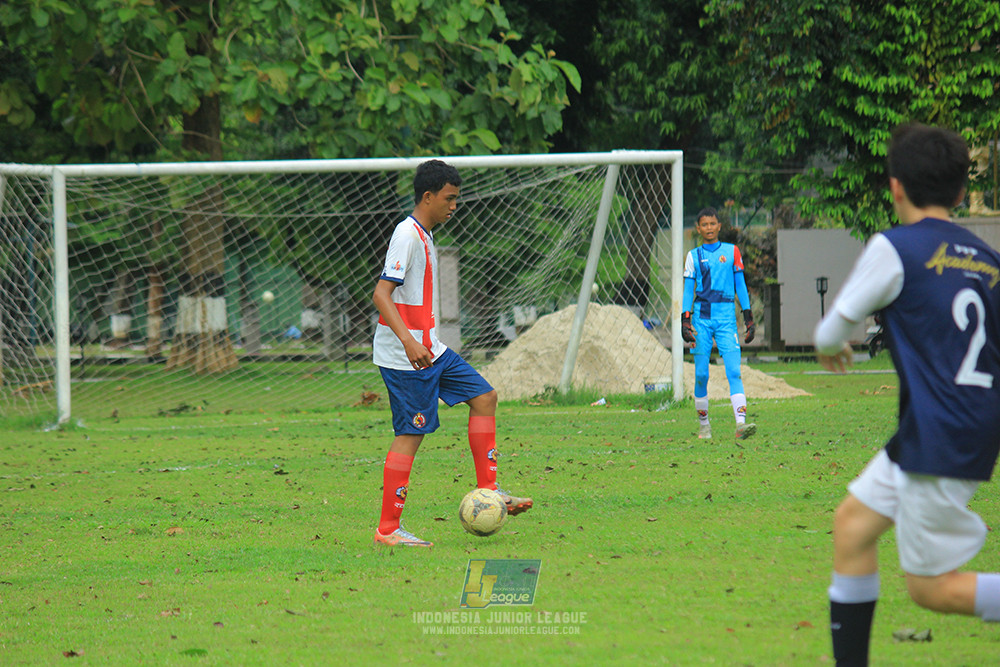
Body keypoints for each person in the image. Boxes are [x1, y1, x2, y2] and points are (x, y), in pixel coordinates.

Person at [814, 123, 1000, 666]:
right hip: (952, 424)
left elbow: (829, 332)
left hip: (939, 431)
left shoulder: (895, 247)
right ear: (961, 192)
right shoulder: (987, 259)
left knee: (930, 589)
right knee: (852, 526)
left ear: (895, 187)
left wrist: (833, 346)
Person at [371, 159, 532, 547]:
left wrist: (421, 342)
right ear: (428, 197)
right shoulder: (407, 235)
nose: (454, 206)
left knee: (484, 397)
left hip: (431, 350)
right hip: (406, 357)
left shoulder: (425, 235)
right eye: (449, 198)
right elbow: (381, 294)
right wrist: (409, 342)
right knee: (411, 434)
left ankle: (489, 490)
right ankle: (388, 530)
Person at [680, 207, 756, 440]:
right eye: (705, 224)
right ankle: (704, 425)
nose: (709, 228)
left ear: (719, 226)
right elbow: (688, 290)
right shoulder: (693, 256)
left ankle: (741, 425)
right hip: (701, 320)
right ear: (698, 228)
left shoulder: (732, 252)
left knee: (734, 371)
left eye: (713, 224)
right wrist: (685, 321)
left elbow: (740, 284)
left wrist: (748, 316)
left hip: (726, 321)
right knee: (701, 374)